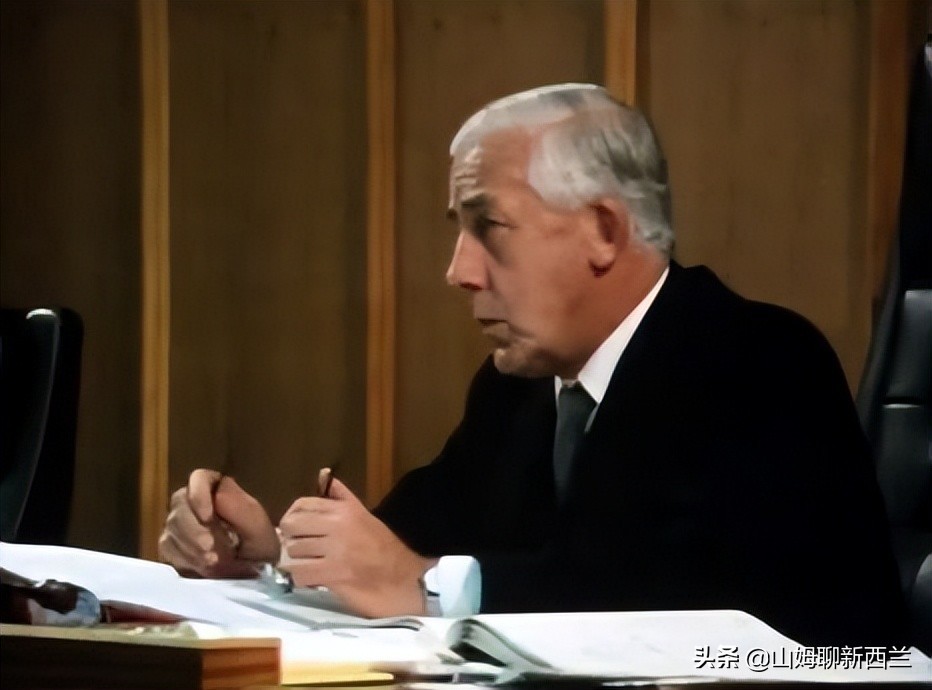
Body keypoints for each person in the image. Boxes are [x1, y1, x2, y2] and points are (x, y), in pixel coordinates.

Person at [159, 84, 907, 646]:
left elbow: (680, 603)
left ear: (603, 230)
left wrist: (422, 584)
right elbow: (404, 542)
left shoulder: (758, 361)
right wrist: (277, 555)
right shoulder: (516, 387)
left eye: (490, 228)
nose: (459, 271)